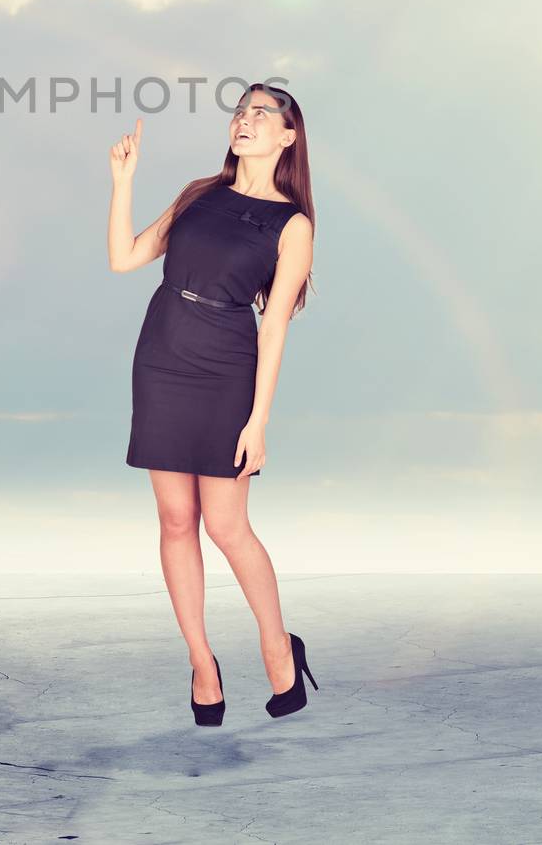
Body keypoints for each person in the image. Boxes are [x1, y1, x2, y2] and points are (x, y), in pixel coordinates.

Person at [109, 83, 318, 723]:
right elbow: (125, 259)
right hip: (163, 355)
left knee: (226, 525)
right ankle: (202, 660)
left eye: (262, 112)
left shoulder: (293, 224)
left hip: (228, 363)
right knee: (176, 520)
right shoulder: (199, 195)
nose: (245, 119)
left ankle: (277, 643)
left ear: (288, 136)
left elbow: (276, 324)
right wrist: (124, 181)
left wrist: (259, 421)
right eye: (240, 110)